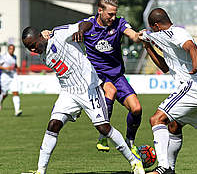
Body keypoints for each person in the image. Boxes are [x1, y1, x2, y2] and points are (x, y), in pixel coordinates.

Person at [21, 24, 145, 174]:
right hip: (68, 92)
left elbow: (86, 24)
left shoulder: (59, 35)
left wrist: (80, 31)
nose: (33, 50)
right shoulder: (42, 54)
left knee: (103, 128)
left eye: (33, 45)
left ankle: (134, 161)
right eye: (29, 48)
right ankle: (40, 171)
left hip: (89, 88)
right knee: (53, 125)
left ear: (40, 37)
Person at [140, 8, 197, 174]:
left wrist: (195, 65)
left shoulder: (176, 32)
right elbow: (165, 67)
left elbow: (192, 47)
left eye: (153, 29)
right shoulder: (167, 39)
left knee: (156, 119)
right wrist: (148, 47)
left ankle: (163, 167)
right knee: (174, 126)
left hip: (192, 85)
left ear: (157, 26)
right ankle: (170, 170)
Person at [75, 0, 143, 152]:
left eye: (115, 14)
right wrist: (49, 32)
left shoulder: (119, 23)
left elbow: (133, 35)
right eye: (110, 14)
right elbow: (66, 31)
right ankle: (103, 135)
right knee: (110, 90)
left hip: (117, 75)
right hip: (97, 76)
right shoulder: (88, 25)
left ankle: (130, 141)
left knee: (137, 109)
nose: (113, 17)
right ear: (100, 11)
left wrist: (140, 35)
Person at [0, 44, 22, 116]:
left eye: (13, 49)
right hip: (5, 77)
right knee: (5, 93)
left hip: (13, 76)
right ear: (8, 49)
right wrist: (6, 68)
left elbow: (14, 65)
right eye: (10, 49)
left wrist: (17, 67)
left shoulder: (14, 57)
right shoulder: (4, 57)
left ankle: (17, 110)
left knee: (15, 92)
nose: (12, 50)